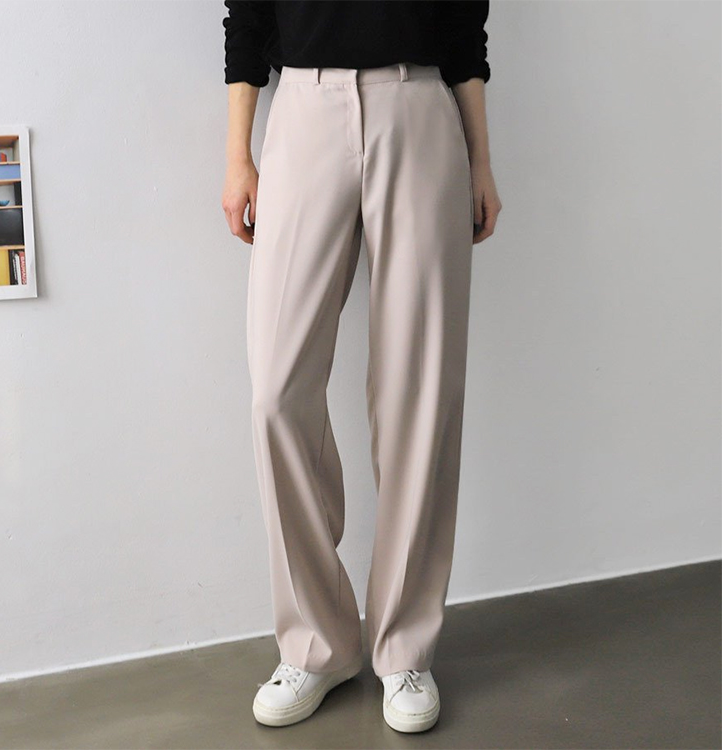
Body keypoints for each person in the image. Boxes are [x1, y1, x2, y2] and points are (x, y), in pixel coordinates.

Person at [221, 0, 502, 734]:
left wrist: (481, 159)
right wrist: (237, 154)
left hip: (420, 107)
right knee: (276, 391)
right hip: (303, 110)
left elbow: (463, 25)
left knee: (421, 388)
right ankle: (318, 642)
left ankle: (405, 646)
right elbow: (247, 16)